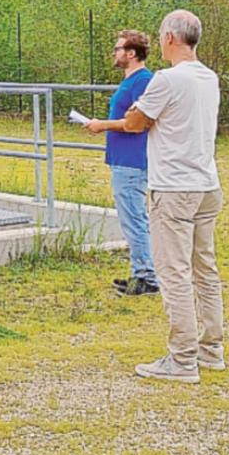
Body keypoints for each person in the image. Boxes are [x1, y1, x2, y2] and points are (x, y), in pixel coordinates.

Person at [119, 10, 224, 384]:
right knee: (204, 269)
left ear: (169, 38)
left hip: (174, 187)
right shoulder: (208, 77)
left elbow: (134, 122)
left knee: (174, 272)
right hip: (206, 184)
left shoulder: (167, 79)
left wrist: (140, 112)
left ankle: (182, 359)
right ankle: (211, 348)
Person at [84, 30, 156, 296]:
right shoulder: (130, 81)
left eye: (118, 49)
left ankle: (147, 276)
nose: (114, 53)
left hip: (132, 161)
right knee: (132, 218)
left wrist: (103, 125)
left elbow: (138, 122)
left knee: (134, 219)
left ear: (131, 53)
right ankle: (142, 272)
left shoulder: (143, 81)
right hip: (122, 159)